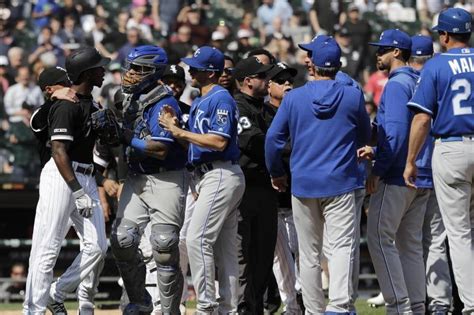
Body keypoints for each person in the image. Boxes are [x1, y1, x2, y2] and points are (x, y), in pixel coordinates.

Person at [265, 36, 371, 314]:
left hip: (303, 184)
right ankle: (338, 306)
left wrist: (277, 173)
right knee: (340, 247)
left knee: (308, 254)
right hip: (340, 182)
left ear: (313, 66)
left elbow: (273, 140)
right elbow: (364, 134)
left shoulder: (295, 97)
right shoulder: (352, 94)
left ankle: (313, 310)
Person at [23, 47, 110, 315]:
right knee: (47, 249)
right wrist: (76, 189)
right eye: (98, 66)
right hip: (61, 177)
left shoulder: (92, 105)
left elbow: (101, 145)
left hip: (85, 175)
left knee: (98, 247)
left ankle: (56, 293)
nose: (104, 70)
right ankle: (33, 310)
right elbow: (55, 146)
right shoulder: (61, 105)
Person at [159, 46, 246, 314]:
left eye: (195, 67)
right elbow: (198, 144)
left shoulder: (221, 98)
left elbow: (219, 141)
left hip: (220, 172)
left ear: (209, 72)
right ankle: (228, 308)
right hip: (209, 174)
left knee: (197, 239)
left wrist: (178, 132)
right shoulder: (200, 100)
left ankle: (206, 306)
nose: (190, 71)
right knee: (225, 247)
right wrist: (178, 131)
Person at [403, 7, 474, 314]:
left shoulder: (435, 66)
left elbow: (421, 119)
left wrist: (411, 160)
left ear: (444, 35)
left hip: (452, 148)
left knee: (458, 234)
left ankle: (471, 305)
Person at [110, 45, 189, 315]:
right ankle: (140, 302)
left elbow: (160, 147)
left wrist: (125, 136)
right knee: (122, 239)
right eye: (130, 67)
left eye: (138, 69)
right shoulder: (128, 98)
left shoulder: (164, 103)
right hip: (136, 176)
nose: (130, 73)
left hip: (166, 178)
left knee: (164, 244)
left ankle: (169, 311)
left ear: (154, 72)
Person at [361, 29, 432, 314]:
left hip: (398, 172)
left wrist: (378, 166)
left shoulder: (396, 84)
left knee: (380, 237)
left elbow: (396, 133)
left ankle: (399, 306)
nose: (378, 54)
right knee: (410, 244)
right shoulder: (420, 79)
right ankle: (416, 306)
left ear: (397, 52)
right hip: (423, 172)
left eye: (383, 50)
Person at [409, 34, 453, 314]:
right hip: (439, 165)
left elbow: (416, 122)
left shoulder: (407, 81)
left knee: (409, 241)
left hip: (414, 170)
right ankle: (440, 303)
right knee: (436, 239)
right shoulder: (443, 76)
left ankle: (414, 300)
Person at [232, 56, 277, 315]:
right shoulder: (238, 106)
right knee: (242, 255)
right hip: (244, 188)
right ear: (248, 81)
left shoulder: (267, 109)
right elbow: (254, 142)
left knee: (263, 256)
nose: (267, 80)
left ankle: (256, 307)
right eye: (262, 76)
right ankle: (242, 308)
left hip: (266, 190)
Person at [261, 62, 302, 315]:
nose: (288, 84)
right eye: (281, 80)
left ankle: (301, 301)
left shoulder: (297, 109)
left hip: (298, 194)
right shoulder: (262, 113)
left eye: (290, 80)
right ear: (269, 86)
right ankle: (292, 305)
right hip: (273, 196)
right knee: (280, 258)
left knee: (301, 253)